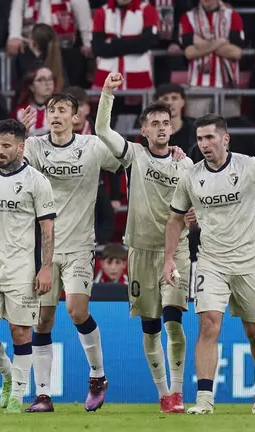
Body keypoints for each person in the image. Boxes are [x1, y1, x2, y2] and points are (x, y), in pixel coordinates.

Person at [164, 114, 255, 415]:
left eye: (210, 137)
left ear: (225, 139)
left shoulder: (250, 166)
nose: (204, 144)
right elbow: (175, 218)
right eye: (199, 139)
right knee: (208, 324)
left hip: (249, 264)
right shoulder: (191, 177)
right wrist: (169, 258)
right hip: (211, 261)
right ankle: (204, 400)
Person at [19, 92, 122, 413]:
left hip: (79, 246)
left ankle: (97, 376)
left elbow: (128, 159)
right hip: (44, 249)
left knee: (77, 311)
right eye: (51, 110)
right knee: (42, 321)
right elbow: (6, 166)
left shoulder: (91, 147)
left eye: (63, 110)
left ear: (76, 117)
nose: (56, 115)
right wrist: (20, 135)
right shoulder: (34, 146)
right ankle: (43, 395)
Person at [96, 72, 191, 413]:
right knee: (150, 327)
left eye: (166, 122)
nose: (162, 128)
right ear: (145, 130)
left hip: (176, 252)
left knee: (173, 322)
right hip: (140, 251)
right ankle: (163, 394)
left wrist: (194, 218)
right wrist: (108, 92)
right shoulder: (133, 155)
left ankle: (178, 392)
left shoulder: (186, 165)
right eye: (155, 123)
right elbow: (102, 131)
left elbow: (196, 208)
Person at [0, 119, 56, 414]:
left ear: (21, 147)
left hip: (21, 268)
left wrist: (45, 268)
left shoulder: (37, 182)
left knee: (20, 331)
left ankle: (17, 396)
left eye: (6, 145)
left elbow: (47, 229)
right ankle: (8, 375)